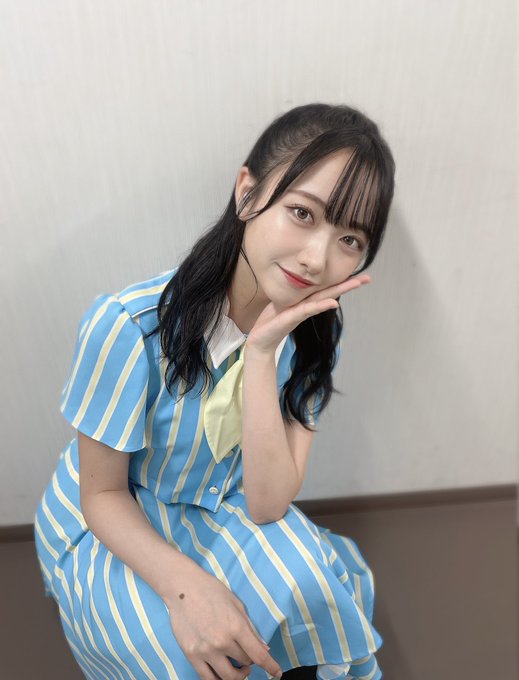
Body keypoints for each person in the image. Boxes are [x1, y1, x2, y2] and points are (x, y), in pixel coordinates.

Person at [34, 102, 395, 680]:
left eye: (350, 238)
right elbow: (102, 496)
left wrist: (262, 355)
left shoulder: (317, 333)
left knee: (317, 590)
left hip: (223, 503)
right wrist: (187, 589)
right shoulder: (127, 327)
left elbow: (267, 504)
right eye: (302, 213)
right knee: (189, 664)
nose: (317, 259)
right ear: (247, 193)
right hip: (119, 517)